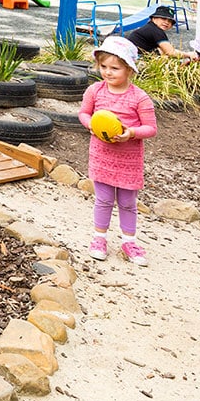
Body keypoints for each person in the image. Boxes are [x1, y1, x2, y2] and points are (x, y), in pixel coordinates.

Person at [78, 36, 157, 266]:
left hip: (128, 158)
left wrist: (130, 133)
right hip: (102, 155)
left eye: (115, 68)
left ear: (129, 69)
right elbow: (83, 113)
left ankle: (129, 241)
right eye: (103, 67)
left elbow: (151, 128)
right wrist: (91, 124)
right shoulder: (95, 91)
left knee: (127, 202)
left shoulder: (139, 98)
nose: (108, 72)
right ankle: (99, 238)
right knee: (103, 199)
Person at [125, 4, 192, 59]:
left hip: (129, 55)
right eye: (163, 19)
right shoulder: (156, 31)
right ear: (154, 18)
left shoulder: (150, 27)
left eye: (170, 21)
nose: (166, 22)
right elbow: (171, 52)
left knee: (162, 52)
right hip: (134, 59)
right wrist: (189, 55)